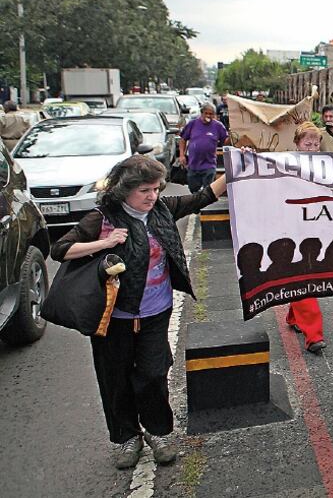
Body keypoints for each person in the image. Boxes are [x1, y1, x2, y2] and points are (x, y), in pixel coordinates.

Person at [50, 155, 228, 470]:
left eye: (156, 189)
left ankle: (158, 432)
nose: (152, 196)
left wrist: (236, 168)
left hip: (156, 311)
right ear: (124, 190)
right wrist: (105, 242)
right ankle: (125, 437)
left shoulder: (162, 209)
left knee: (152, 374)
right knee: (114, 378)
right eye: (144, 190)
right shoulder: (102, 217)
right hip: (112, 317)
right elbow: (60, 250)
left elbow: (205, 197)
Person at [283, 121, 328, 354]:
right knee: (304, 280)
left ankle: (293, 316)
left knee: (304, 279)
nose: (311, 147)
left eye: (315, 143)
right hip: (292, 233)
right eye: (307, 143)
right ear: (297, 143)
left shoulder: (326, 166)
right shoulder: (284, 164)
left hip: (316, 231)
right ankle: (313, 335)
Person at [178, 104, 228, 193]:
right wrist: (181, 155)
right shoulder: (192, 124)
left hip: (209, 163)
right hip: (193, 163)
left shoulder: (218, 126)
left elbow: (226, 141)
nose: (208, 116)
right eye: (206, 113)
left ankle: (205, 203)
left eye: (211, 114)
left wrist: (233, 136)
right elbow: (183, 139)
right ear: (201, 113)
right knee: (193, 188)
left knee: (208, 189)